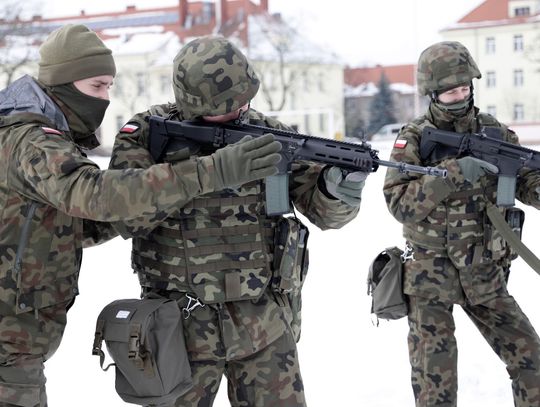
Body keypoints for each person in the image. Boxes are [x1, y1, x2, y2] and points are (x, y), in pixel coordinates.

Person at [0, 26, 284, 407]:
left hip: (16, 345)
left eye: (109, 87)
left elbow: (81, 224)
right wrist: (209, 172)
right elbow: (96, 195)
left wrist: (156, 202)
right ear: (62, 82)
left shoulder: (37, 133)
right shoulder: (32, 141)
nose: (105, 98)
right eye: (97, 86)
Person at [108, 35, 366, 407]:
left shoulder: (270, 135)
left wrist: (337, 189)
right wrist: (208, 171)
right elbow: (123, 213)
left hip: (264, 324)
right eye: (225, 107)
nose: (240, 109)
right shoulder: (148, 135)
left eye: (244, 100)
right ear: (192, 104)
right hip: (177, 329)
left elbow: (325, 213)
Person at [383, 41, 540, 407]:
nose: (460, 96)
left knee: (532, 361)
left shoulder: (495, 133)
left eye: (465, 88)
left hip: (483, 271)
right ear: (432, 93)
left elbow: (527, 182)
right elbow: (399, 203)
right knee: (435, 383)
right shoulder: (414, 137)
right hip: (429, 277)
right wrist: (452, 173)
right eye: (450, 91)